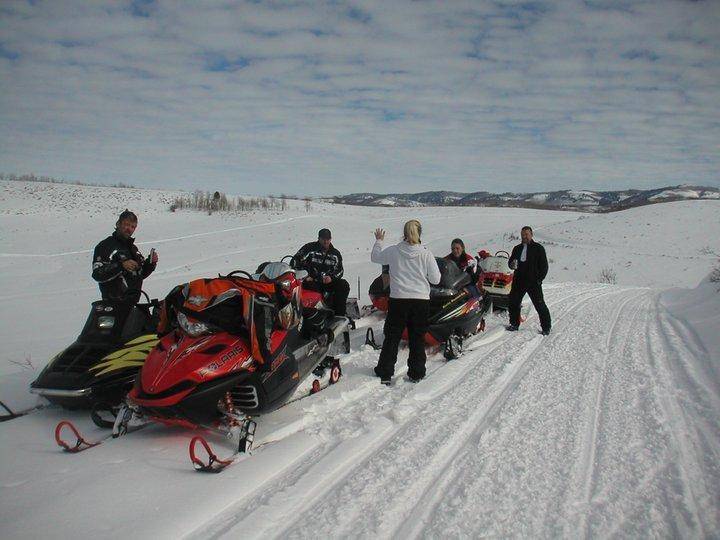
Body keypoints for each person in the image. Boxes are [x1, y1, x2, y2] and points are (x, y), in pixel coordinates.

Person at [370, 220, 441, 383]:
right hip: (420, 302)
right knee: (417, 338)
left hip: (398, 300)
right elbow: (436, 279)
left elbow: (375, 257)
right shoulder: (426, 253)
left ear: (404, 233)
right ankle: (416, 373)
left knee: (392, 337)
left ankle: (385, 372)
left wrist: (379, 240)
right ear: (419, 234)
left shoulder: (394, 251)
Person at [92, 209, 158, 303]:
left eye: (133, 227)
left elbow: (139, 274)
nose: (129, 229)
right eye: (126, 224)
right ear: (118, 224)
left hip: (132, 304)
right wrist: (120, 266)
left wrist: (151, 264)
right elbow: (98, 274)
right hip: (112, 306)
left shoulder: (133, 249)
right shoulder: (105, 246)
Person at [292, 228, 350, 316]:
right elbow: (295, 262)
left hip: (327, 282)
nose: (326, 242)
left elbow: (340, 270)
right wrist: (305, 275)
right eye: (323, 239)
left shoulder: (335, 254)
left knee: (343, 285)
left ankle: (339, 315)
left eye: (328, 239)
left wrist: (331, 277)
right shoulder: (309, 248)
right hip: (309, 281)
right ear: (319, 239)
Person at [507, 226, 551, 335]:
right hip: (518, 281)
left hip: (533, 282)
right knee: (513, 303)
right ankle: (514, 324)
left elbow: (544, 266)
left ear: (531, 235)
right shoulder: (517, 248)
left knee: (540, 305)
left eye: (526, 234)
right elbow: (511, 263)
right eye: (522, 234)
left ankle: (546, 328)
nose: (524, 236)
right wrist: (511, 265)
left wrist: (539, 280)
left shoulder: (538, 248)